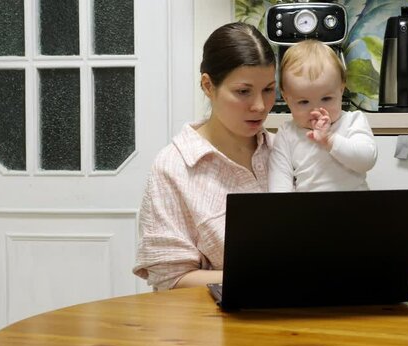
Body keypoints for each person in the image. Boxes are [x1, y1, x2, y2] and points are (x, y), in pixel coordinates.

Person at [133, 22, 276, 291]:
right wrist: (266, 276)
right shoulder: (173, 167)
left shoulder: (284, 152)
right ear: (208, 86)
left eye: (269, 89)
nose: (260, 106)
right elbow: (170, 278)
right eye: (243, 91)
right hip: (209, 326)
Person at [268, 40, 377, 192]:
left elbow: (367, 160)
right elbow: (279, 183)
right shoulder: (287, 134)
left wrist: (330, 140)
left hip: (355, 208)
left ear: (341, 89)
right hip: (310, 213)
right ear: (286, 99)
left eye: (326, 99)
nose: (316, 110)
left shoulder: (353, 121)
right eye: (303, 102)